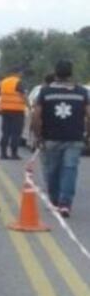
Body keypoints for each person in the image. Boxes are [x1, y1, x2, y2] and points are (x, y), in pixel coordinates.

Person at [31, 60, 90, 218]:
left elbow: (36, 116)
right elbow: (89, 115)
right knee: (70, 170)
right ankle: (65, 204)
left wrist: (37, 136)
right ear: (71, 73)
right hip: (74, 137)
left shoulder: (45, 92)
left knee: (52, 170)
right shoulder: (82, 92)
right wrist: (87, 135)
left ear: (56, 73)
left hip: (51, 137)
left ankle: (54, 201)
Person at [0, 67, 27, 159]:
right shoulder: (18, 82)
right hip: (17, 111)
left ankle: (3, 154)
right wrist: (28, 105)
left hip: (5, 110)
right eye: (20, 73)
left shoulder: (3, 82)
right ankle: (14, 154)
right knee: (16, 133)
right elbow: (23, 95)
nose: (21, 75)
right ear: (17, 73)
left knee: (5, 132)